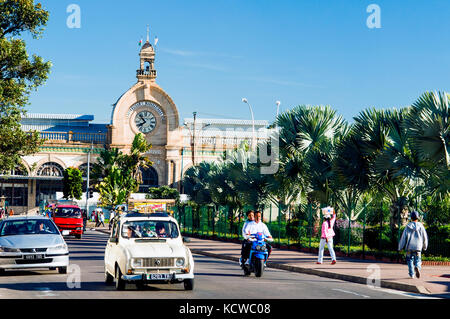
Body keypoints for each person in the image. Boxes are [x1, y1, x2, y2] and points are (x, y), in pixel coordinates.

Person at [398, 211, 428, 279]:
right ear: (418, 217)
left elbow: (403, 237)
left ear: (411, 218)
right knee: (418, 260)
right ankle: (417, 267)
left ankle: (412, 274)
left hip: (409, 247)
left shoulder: (408, 226)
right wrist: (425, 247)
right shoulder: (421, 226)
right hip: (418, 247)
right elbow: (425, 237)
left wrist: (400, 247)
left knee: (409, 260)